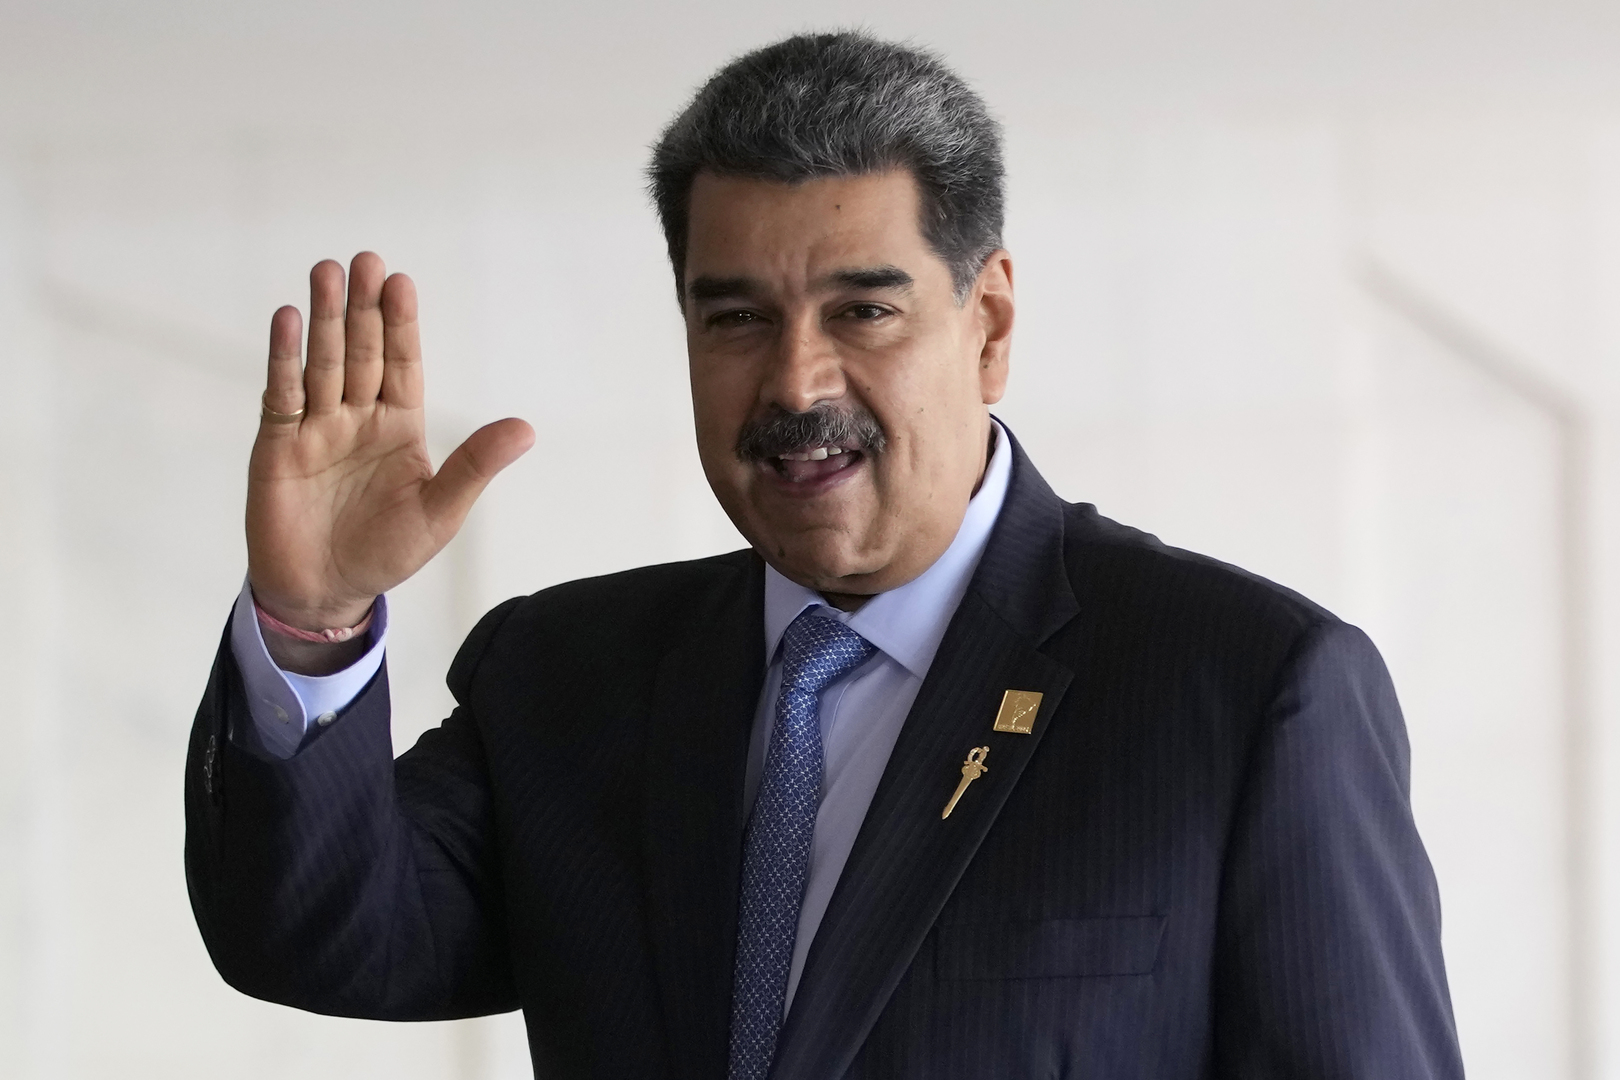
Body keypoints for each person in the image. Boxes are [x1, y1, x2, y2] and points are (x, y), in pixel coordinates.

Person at [185, 31, 1466, 1080]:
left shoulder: (1245, 687)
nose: (796, 383)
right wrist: (315, 617)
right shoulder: (568, 675)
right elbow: (324, 937)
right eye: (736, 318)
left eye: (863, 310)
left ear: (988, 323)